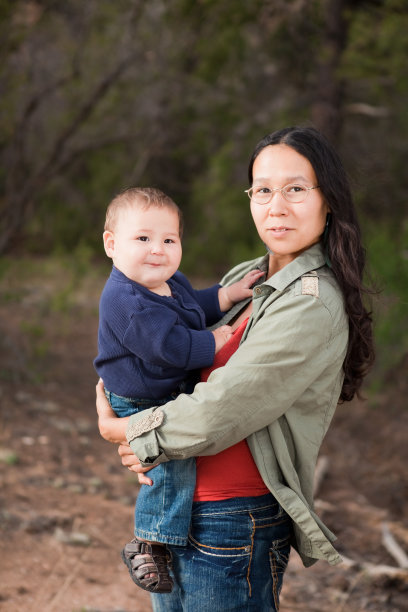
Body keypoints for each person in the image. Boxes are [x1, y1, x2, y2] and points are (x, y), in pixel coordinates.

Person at [96, 126, 374, 612]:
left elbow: (224, 406)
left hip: (234, 519)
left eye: (295, 189)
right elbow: (155, 341)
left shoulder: (311, 303)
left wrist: (126, 432)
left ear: (327, 200)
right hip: (184, 509)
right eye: (263, 190)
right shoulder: (251, 277)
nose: (277, 206)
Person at [94, 186, 264, 594]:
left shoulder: (169, 281)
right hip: (140, 397)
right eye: (143, 238)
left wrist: (227, 294)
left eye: (169, 240)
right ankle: (148, 542)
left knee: (173, 458)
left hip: (159, 390)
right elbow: (168, 347)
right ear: (111, 244)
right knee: (169, 463)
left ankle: (160, 537)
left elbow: (195, 307)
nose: (158, 250)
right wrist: (215, 341)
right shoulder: (126, 300)